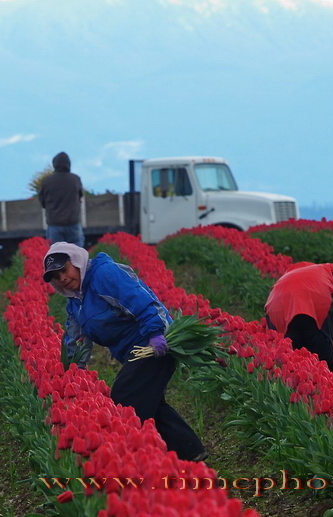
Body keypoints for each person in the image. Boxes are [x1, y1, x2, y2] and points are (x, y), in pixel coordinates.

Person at [43, 241, 207, 462]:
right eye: (55, 276)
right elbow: (76, 339)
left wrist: (155, 333)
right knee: (150, 401)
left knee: (125, 397)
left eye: (64, 270)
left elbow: (142, 301)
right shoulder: (75, 303)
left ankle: (140, 454)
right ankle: (189, 453)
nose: (62, 278)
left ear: (78, 262)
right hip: (132, 352)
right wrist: (71, 371)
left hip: (151, 343)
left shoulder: (104, 274)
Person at [265, 262, 333, 372]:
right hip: (315, 300)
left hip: (276, 304)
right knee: (324, 360)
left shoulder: (296, 274)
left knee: (291, 363)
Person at [39, 151, 84, 247]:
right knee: (76, 252)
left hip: (54, 224)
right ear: (68, 164)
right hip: (73, 222)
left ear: (54, 164)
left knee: (57, 253)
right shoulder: (75, 179)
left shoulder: (47, 181)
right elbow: (80, 197)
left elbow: (42, 201)